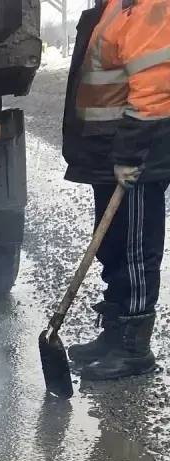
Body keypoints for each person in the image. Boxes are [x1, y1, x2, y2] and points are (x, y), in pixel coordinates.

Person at [63, 0, 170, 381]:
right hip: (109, 148)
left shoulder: (149, 6)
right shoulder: (116, 5)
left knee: (135, 251)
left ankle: (133, 347)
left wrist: (131, 154)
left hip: (137, 152)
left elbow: (154, 90)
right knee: (112, 246)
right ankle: (113, 333)